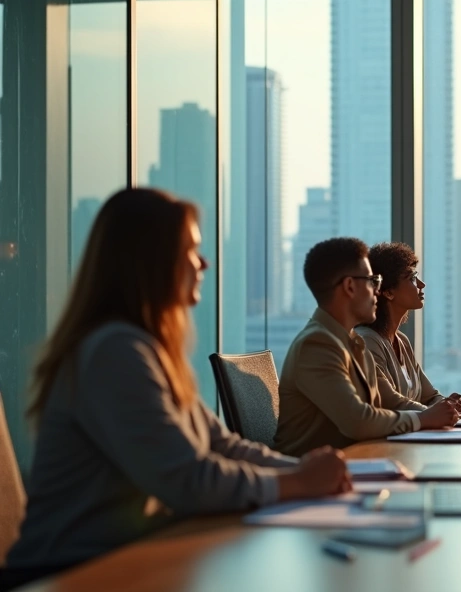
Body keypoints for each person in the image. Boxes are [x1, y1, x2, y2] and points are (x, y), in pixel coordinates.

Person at [2, 189, 349, 586]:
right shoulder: (114, 351)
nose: (204, 262)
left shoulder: (148, 349)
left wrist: (304, 470)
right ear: (150, 262)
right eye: (190, 249)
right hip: (73, 574)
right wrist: (300, 482)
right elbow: (188, 480)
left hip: (130, 561)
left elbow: (222, 446)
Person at [274, 237, 458, 457]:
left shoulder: (352, 342)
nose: (376, 291)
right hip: (314, 478)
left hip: (355, 464)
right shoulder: (317, 344)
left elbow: (379, 411)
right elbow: (359, 421)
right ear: (350, 286)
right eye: (372, 281)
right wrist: (424, 418)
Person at [355, 242, 459, 411]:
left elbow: (431, 396)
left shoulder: (401, 341)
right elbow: (389, 403)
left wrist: (447, 405)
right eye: (411, 278)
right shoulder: (366, 341)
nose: (421, 284)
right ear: (388, 292)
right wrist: (436, 412)